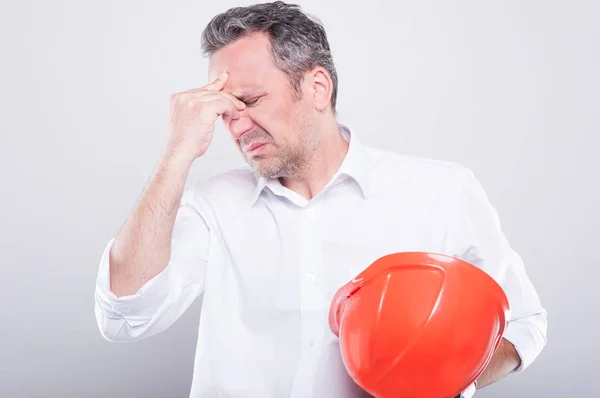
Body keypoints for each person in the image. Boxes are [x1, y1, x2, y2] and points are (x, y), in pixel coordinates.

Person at [93, 2, 548, 397]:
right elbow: (125, 316)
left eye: (250, 100)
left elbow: (523, 325)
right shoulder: (212, 205)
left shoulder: (441, 191)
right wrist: (176, 153)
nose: (235, 125)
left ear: (317, 88)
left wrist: (436, 382)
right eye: (225, 110)